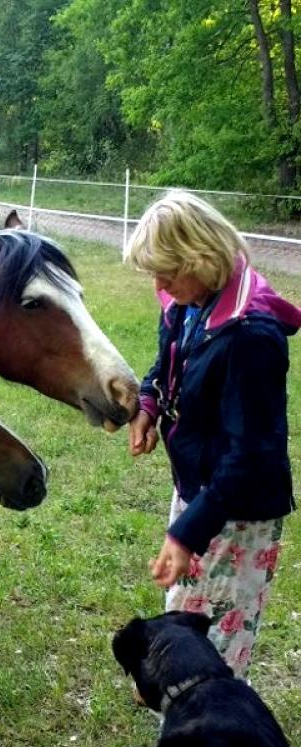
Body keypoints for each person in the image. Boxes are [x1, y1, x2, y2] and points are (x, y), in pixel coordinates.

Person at [124, 190, 300, 679]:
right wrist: (148, 405)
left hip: (237, 513)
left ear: (202, 257)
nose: (159, 283)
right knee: (186, 622)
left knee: (215, 650)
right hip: (199, 492)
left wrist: (186, 534)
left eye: (168, 271)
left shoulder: (250, 338)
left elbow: (250, 457)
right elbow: (168, 363)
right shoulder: (187, 303)